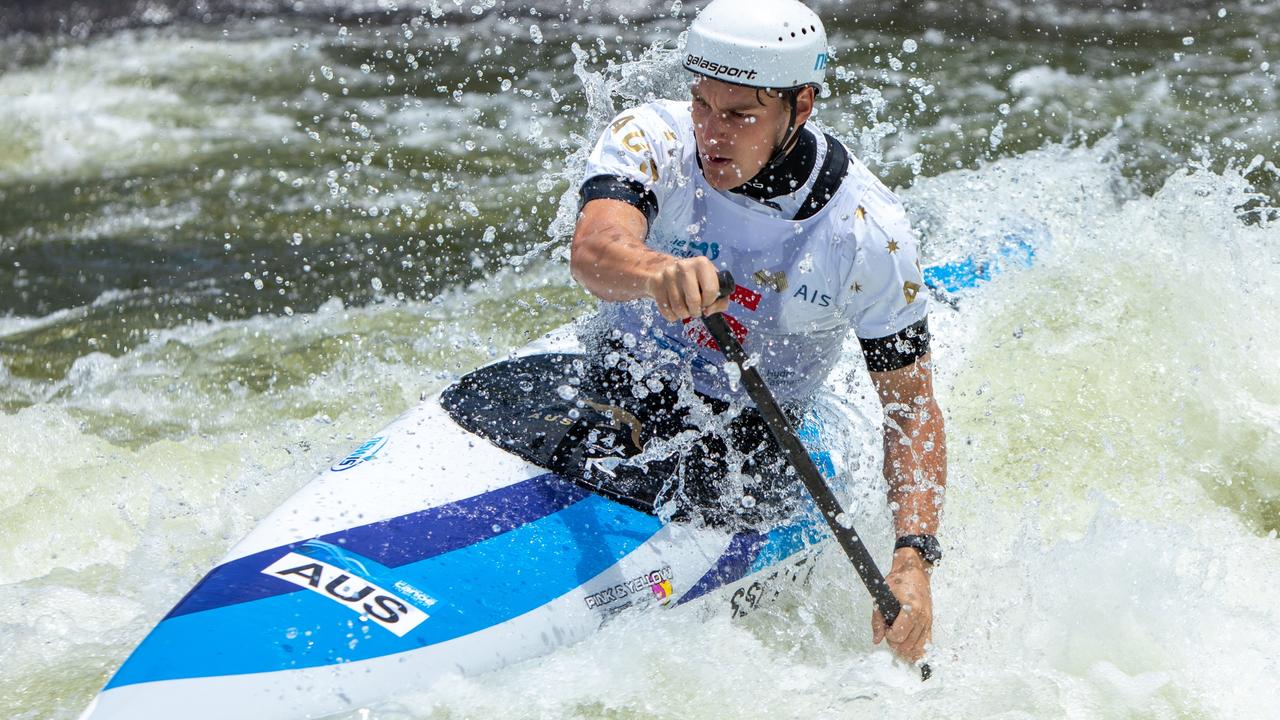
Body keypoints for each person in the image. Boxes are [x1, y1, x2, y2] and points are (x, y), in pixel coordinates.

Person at [568, 0, 945, 667]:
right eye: (703, 106)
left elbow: (911, 409)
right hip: (613, 380)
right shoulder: (653, 137)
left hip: (746, 441)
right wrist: (657, 270)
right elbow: (594, 250)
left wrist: (913, 559)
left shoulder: (865, 231)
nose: (712, 134)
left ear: (800, 106)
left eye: (741, 116)